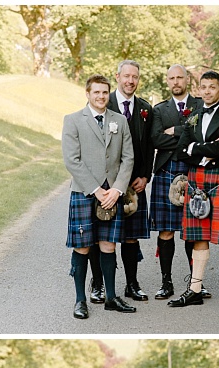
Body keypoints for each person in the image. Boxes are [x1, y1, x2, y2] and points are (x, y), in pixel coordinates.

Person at [166, 69, 219, 314]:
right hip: (196, 180)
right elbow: (181, 151)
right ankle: (195, 289)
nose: (208, 91)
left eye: (213, 87)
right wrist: (204, 151)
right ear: (198, 89)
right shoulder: (192, 116)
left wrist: (195, 148)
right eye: (204, 87)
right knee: (199, 236)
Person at [62, 73, 135, 319]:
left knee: (108, 244)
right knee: (82, 246)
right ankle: (80, 300)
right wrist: (96, 189)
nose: (101, 96)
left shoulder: (120, 120)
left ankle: (111, 298)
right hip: (85, 191)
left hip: (112, 193)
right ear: (88, 93)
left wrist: (117, 189)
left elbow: (128, 158)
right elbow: (72, 160)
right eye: (96, 92)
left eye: (105, 92)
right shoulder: (73, 120)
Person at [88, 59, 153, 304]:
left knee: (131, 237)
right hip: (106, 185)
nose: (130, 81)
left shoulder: (145, 109)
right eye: (126, 76)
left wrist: (145, 176)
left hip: (134, 184)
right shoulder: (104, 102)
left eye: (134, 77)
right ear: (117, 77)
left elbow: (148, 147)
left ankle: (132, 284)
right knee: (101, 237)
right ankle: (98, 284)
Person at [150, 64, 204, 300]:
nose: (176, 82)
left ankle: (196, 283)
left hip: (193, 172)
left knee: (193, 232)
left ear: (187, 79)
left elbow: (202, 135)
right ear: (167, 81)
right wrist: (187, 138)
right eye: (171, 78)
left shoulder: (200, 105)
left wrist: (175, 131)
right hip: (166, 171)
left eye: (179, 77)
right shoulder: (159, 109)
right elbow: (156, 139)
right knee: (166, 231)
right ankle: (166, 282)